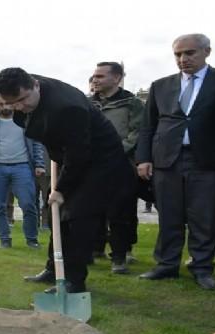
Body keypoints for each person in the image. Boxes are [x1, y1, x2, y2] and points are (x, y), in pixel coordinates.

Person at [0, 67, 135, 293]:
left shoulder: (67, 108)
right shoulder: (27, 89)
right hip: (70, 154)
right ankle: (53, 269)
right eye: (11, 104)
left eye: (22, 100)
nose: (19, 107)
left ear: (35, 85)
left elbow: (78, 155)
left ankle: (73, 281)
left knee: (78, 218)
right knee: (60, 215)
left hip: (99, 161)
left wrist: (59, 189)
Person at [136, 34, 215, 290]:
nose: (183, 59)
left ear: (207, 51)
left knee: (203, 217)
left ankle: (202, 268)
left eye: (190, 53)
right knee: (169, 216)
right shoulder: (160, 86)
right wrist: (144, 159)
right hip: (167, 160)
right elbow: (148, 126)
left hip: (210, 160)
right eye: (178, 54)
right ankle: (166, 265)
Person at [89, 61, 145, 273]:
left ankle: (119, 257)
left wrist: (112, 152)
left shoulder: (132, 104)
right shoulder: (87, 104)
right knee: (90, 211)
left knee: (119, 213)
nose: (95, 80)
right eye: (94, 76)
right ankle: (93, 250)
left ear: (117, 78)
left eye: (101, 76)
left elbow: (137, 133)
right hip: (91, 167)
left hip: (120, 166)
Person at [0, 96, 45, 250]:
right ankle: (4, 240)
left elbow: (36, 144)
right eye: (0, 104)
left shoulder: (26, 120)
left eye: (7, 103)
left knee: (28, 204)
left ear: (13, 103)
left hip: (22, 167)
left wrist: (39, 164)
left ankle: (32, 239)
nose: (4, 106)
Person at [35, 144, 51, 231]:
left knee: (46, 198)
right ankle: (34, 222)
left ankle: (46, 222)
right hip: (31, 169)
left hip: (46, 170)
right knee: (32, 199)